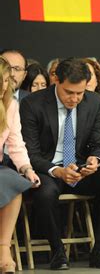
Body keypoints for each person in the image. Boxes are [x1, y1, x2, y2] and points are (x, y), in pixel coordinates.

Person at [20, 58, 100, 270]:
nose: (75, 98)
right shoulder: (32, 104)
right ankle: (57, 252)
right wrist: (57, 171)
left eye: (80, 93)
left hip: (79, 168)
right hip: (48, 168)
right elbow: (30, 153)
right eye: (69, 92)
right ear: (56, 80)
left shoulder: (94, 101)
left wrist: (94, 161)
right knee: (45, 191)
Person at [0, 56, 39, 274]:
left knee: (15, 184)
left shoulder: (11, 105)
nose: (5, 85)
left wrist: (27, 169)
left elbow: (16, 143)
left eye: (7, 80)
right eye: (2, 80)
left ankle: (3, 250)